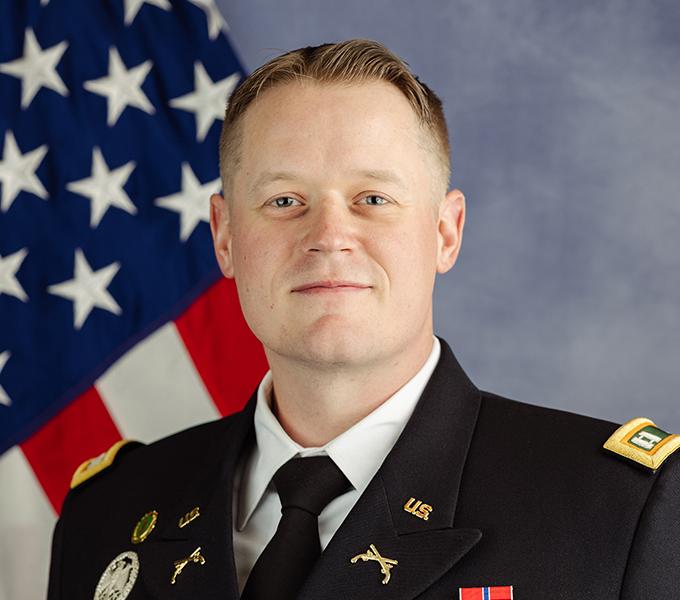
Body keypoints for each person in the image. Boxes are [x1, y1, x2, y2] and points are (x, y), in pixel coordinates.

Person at [47, 39, 680, 600]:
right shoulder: (108, 514)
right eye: (284, 201)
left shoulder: (617, 511)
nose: (329, 236)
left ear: (445, 232)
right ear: (225, 237)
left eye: (373, 199)